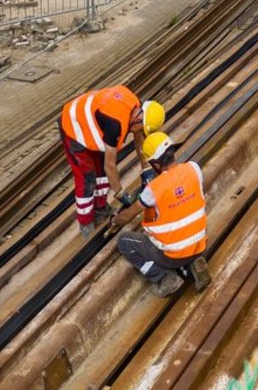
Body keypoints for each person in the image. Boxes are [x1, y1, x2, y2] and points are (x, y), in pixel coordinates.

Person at [59, 86, 165, 238]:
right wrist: (120, 193)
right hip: (73, 125)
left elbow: (139, 139)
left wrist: (146, 169)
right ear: (139, 119)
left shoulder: (137, 108)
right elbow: (110, 166)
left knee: (101, 172)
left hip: (91, 120)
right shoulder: (115, 125)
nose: (138, 131)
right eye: (141, 128)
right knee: (87, 177)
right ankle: (86, 222)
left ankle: (100, 209)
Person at [114, 131, 210, 297]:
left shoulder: (153, 188)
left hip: (173, 255)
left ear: (156, 164)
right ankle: (193, 263)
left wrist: (115, 219)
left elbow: (129, 215)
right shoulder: (194, 168)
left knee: (124, 242)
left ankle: (164, 277)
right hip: (200, 244)